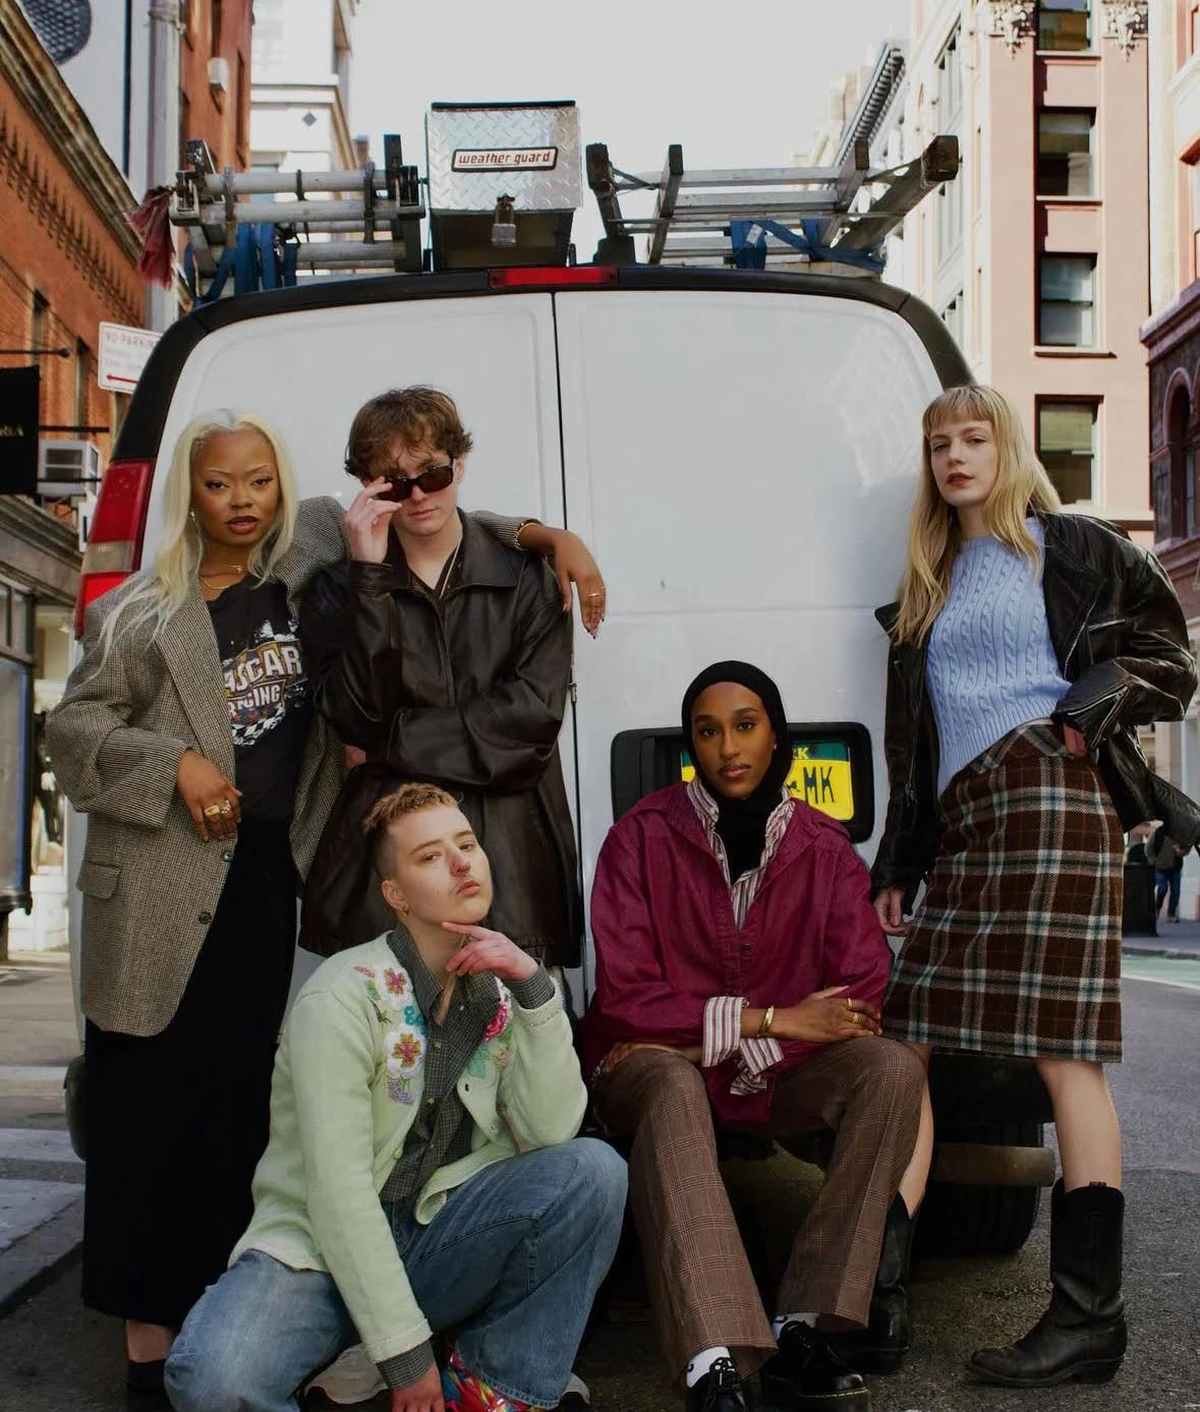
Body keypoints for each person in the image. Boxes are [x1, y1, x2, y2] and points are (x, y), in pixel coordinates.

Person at [45, 411, 602, 1411]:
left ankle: (239, 1314)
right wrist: (172, 764)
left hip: (263, 874)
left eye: (257, 480)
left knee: (240, 1114)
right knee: (144, 1116)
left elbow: (423, 503)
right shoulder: (136, 610)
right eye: (219, 484)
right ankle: (146, 1359)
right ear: (189, 494)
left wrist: (546, 535)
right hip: (161, 880)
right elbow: (75, 730)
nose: (241, 500)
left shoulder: (303, 545)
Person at [871, 384, 1200, 1390]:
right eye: (939, 443)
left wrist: (1086, 711)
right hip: (968, 818)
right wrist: (902, 858)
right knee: (904, 1041)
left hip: (1052, 797)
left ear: (1006, 446)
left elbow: (1169, 654)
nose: (955, 456)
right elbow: (912, 747)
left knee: (1067, 1057)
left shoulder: (1074, 547)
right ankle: (870, 1298)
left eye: (973, 437)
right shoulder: (927, 580)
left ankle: (1088, 1319)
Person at [164, 782, 627, 1412]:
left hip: (437, 1238)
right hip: (319, 1254)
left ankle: (492, 1389)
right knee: (215, 1382)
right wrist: (407, 1360)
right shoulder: (341, 998)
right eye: (431, 856)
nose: (461, 863)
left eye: (467, 845)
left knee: (593, 1171)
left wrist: (533, 991)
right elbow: (338, 1193)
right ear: (395, 895)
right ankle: (379, 1345)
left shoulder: (501, 983)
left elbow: (550, 1134)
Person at [578, 661, 926, 1412]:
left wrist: (717, 1041)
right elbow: (628, 998)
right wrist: (771, 1019)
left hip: (757, 1070)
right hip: (644, 1070)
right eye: (707, 732)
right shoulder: (638, 839)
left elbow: (859, 994)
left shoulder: (826, 848)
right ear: (691, 745)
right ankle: (714, 1359)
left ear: (776, 736)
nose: (728, 748)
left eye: (745, 725)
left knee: (891, 1070)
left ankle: (802, 1325)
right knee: (671, 1082)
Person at [299, 387, 582, 970]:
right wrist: (370, 580)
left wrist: (389, 745)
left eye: (432, 475)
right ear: (367, 486)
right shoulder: (339, 589)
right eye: (395, 484)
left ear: (460, 464)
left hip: (514, 867)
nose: (418, 496)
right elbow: (356, 716)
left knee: (521, 1024)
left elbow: (529, 726)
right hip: (387, 882)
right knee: (387, 1027)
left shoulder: (528, 578)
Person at [1145, 823, 1187, 922]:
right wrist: (1153, 861)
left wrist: (1181, 852)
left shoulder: (1179, 835)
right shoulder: (1158, 833)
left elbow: (1186, 848)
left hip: (1175, 867)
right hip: (1161, 867)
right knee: (1162, 888)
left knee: (1175, 892)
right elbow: (1148, 849)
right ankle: (1157, 908)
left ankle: (1171, 914)